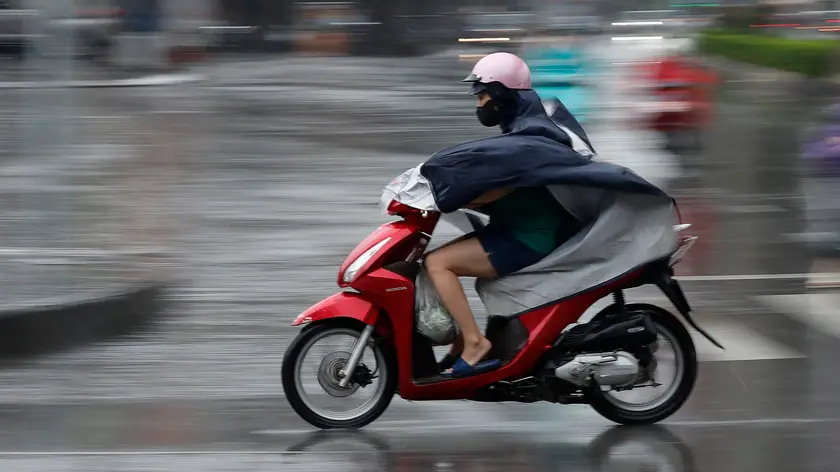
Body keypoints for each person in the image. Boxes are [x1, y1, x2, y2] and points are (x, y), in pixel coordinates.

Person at [425, 52, 585, 378]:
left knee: (438, 263)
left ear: (501, 93)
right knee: (436, 260)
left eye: (483, 95)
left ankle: (473, 344)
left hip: (529, 237)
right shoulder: (521, 129)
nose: (479, 103)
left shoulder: (532, 135)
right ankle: (459, 343)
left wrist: (451, 196)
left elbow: (501, 187)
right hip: (515, 229)